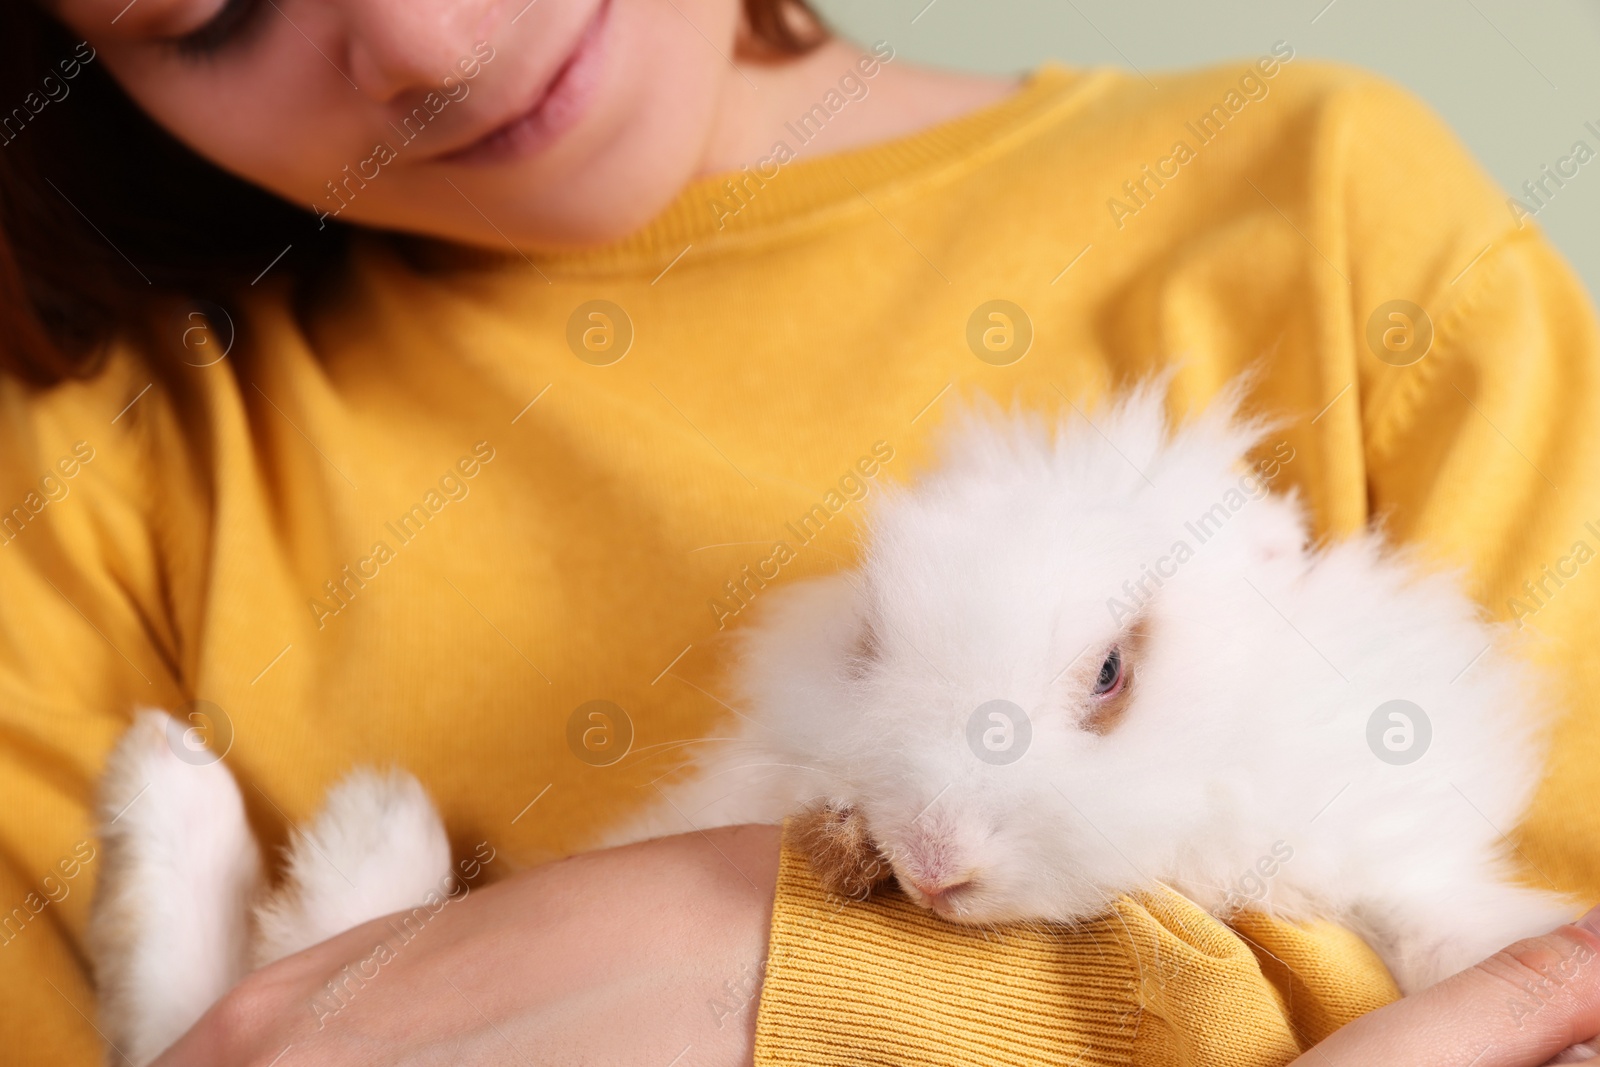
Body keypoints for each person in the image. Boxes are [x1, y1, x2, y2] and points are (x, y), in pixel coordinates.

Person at [2, 0, 1599, 1063]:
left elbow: (1537, 988)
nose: (428, 34)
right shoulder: (94, 464)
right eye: (204, 8)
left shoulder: (1323, 220)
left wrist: (758, 966)